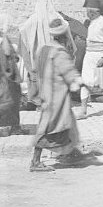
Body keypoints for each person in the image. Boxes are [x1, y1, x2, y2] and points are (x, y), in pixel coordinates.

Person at [30, 18, 85, 172]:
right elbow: (67, 70)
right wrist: (77, 80)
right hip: (57, 96)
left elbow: (36, 70)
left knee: (66, 125)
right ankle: (35, 161)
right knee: (50, 128)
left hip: (46, 93)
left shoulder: (43, 48)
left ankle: (70, 154)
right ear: (64, 34)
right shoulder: (59, 52)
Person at [19, 0, 65, 102]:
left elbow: (22, 32)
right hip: (53, 54)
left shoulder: (32, 19)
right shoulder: (57, 17)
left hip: (36, 55)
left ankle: (38, 101)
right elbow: (65, 31)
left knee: (37, 77)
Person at [0, 14, 23, 133]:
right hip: (6, 79)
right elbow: (11, 56)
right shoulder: (4, 40)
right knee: (10, 100)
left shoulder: (5, 40)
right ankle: (12, 127)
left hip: (5, 78)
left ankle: (12, 126)